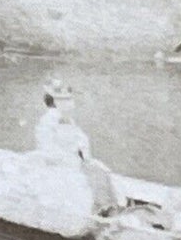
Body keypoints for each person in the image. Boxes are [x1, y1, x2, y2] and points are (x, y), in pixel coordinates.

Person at [30, 80, 123, 214]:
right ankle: (99, 209)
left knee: (100, 170)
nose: (69, 103)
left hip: (72, 161)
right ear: (55, 102)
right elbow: (47, 148)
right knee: (83, 178)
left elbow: (80, 140)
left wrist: (83, 155)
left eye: (69, 99)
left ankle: (107, 207)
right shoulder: (47, 122)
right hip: (56, 164)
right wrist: (70, 159)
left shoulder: (68, 120)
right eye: (65, 100)